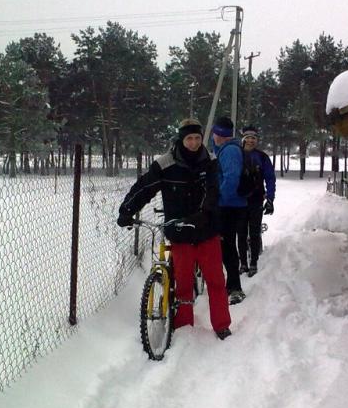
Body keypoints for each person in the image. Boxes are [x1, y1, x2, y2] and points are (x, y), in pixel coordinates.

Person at [116, 118, 232, 340]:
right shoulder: (165, 164)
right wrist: (127, 210)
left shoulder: (210, 161)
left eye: (198, 138)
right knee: (183, 285)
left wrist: (204, 214)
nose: (194, 142)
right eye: (189, 138)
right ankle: (183, 326)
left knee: (216, 281)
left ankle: (221, 325)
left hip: (206, 232)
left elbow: (214, 192)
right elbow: (145, 187)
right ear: (181, 139)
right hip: (179, 233)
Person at [211, 116, 247, 305]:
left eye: (214, 133)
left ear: (219, 134)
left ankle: (235, 287)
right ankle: (232, 285)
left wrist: (219, 200)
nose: (212, 137)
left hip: (230, 206)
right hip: (231, 205)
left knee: (227, 246)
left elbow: (231, 177)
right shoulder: (226, 149)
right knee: (227, 246)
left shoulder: (230, 151)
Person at [238, 125, 275, 277]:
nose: (251, 140)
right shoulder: (236, 155)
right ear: (243, 139)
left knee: (254, 232)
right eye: (248, 138)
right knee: (240, 233)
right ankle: (243, 263)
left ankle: (253, 262)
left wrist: (270, 198)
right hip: (238, 200)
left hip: (256, 199)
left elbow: (270, 178)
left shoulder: (262, 157)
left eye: (254, 138)